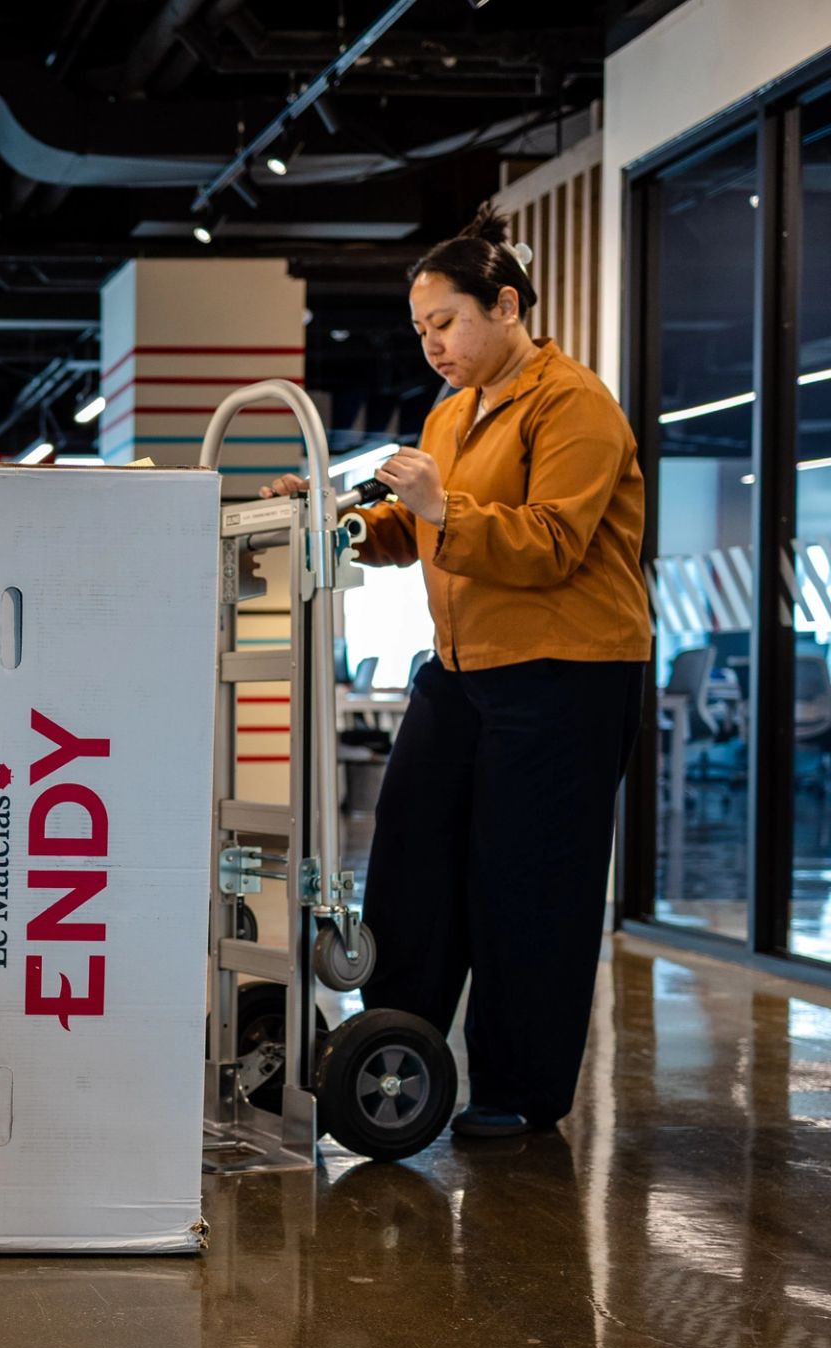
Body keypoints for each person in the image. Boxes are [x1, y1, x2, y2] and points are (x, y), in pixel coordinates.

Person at [261, 203, 651, 1138]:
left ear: (505, 306)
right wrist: (335, 518)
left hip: (567, 672)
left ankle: (519, 1094)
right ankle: (396, 1053)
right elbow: (417, 526)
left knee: (527, 883)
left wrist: (439, 507)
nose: (432, 344)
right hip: (464, 668)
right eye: (421, 330)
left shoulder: (574, 404)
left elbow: (554, 543)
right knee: (409, 860)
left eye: (446, 323)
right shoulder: (450, 411)